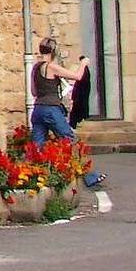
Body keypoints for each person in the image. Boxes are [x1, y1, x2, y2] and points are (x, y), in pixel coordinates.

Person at [31, 37, 105, 188]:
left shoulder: (35, 67)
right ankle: (89, 176)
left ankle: (32, 178)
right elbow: (77, 76)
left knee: (37, 145)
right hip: (51, 109)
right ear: (54, 51)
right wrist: (83, 64)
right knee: (69, 139)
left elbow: (33, 91)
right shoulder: (51, 67)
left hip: (38, 109)